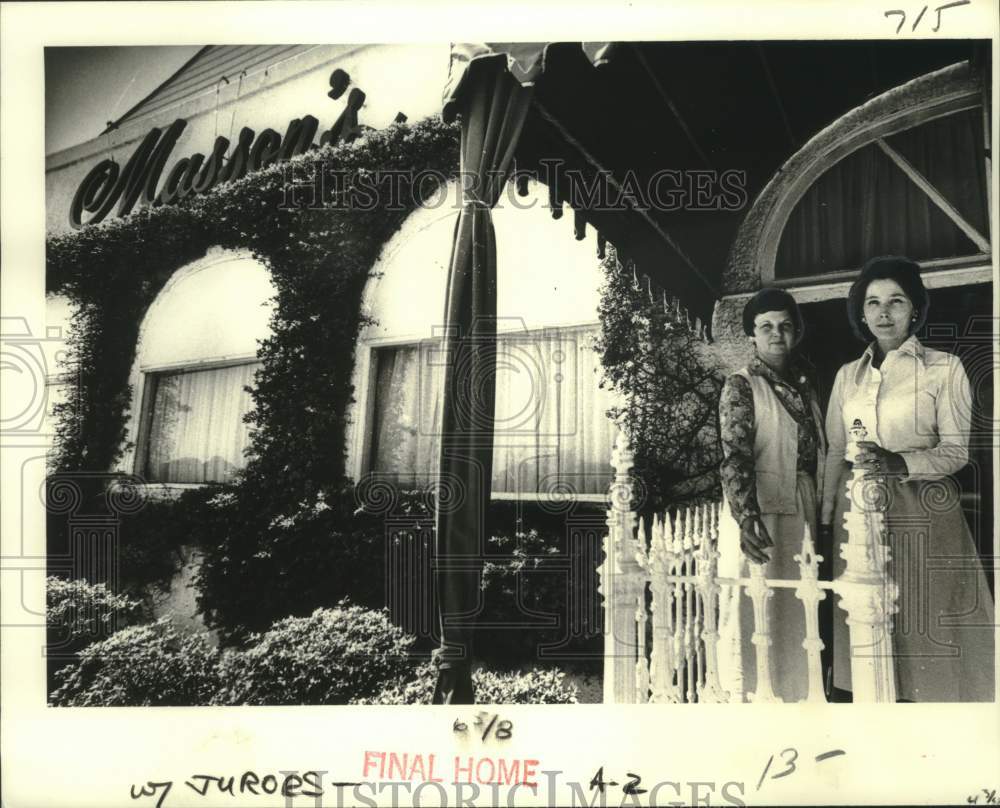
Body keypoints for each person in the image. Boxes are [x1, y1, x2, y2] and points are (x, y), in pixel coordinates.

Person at [819, 255, 994, 702]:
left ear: (914, 308)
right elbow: (835, 452)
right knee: (864, 622)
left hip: (922, 513)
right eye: (873, 302)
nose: (884, 312)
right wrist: (823, 520)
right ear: (861, 312)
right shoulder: (846, 376)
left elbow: (957, 452)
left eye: (896, 301)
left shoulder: (944, 368)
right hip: (855, 517)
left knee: (921, 622)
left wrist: (900, 462)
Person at [717, 288, 827, 703]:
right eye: (766, 327)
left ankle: (799, 697)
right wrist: (746, 517)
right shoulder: (742, 386)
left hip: (803, 502)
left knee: (799, 605)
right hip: (762, 509)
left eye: (784, 326)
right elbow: (734, 456)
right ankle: (753, 698)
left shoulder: (806, 383)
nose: (776, 334)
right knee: (759, 605)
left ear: (796, 332)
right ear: (752, 336)